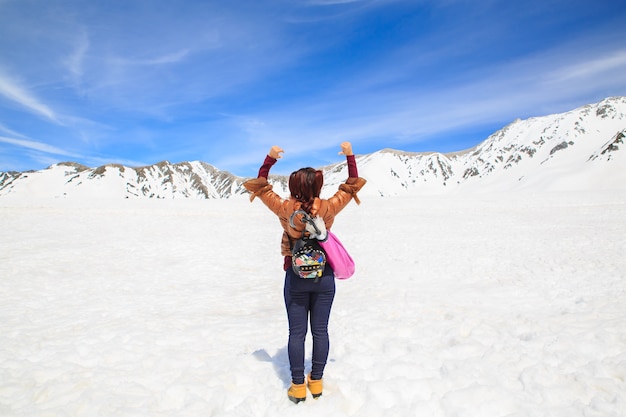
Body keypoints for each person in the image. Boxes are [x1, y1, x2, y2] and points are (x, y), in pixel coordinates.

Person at [243, 142, 366, 404]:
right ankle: (317, 381)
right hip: (325, 278)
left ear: (293, 187)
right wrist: (349, 156)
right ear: (318, 187)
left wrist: (269, 160)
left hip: (296, 278)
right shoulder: (328, 208)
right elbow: (352, 184)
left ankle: (298, 386)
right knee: (320, 331)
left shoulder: (285, 209)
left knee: (296, 334)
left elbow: (261, 186)